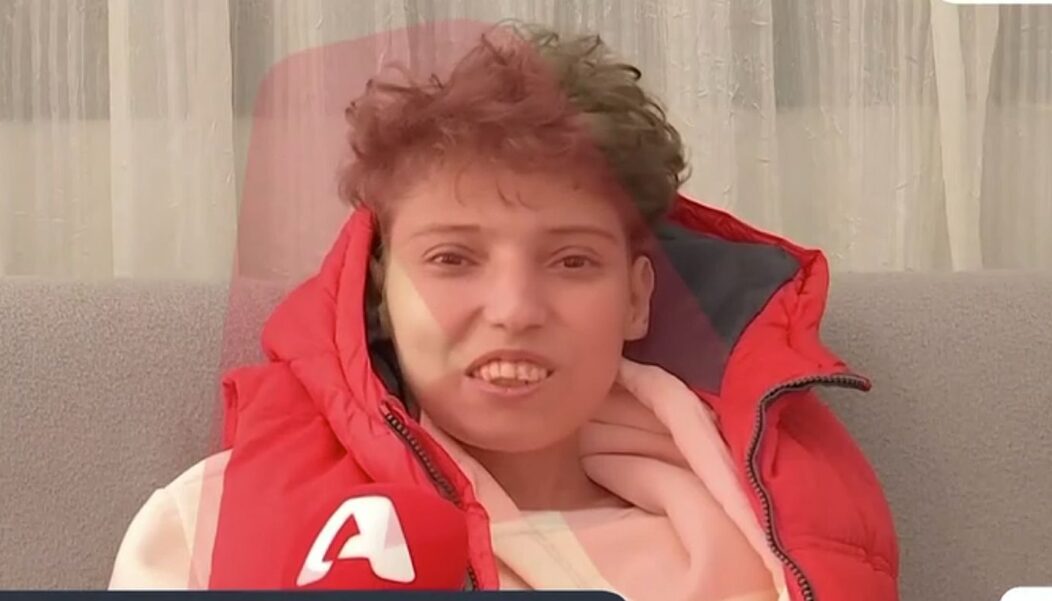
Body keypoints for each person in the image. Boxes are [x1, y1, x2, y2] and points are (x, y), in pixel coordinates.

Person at [109, 22, 899, 600]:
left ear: (635, 298)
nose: (516, 310)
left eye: (572, 261)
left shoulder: (771, 526)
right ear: (380, 293)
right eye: (453, 259)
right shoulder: (209, 523)